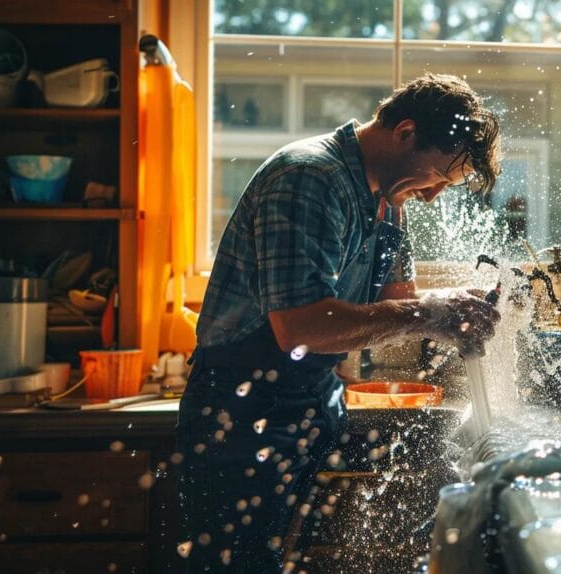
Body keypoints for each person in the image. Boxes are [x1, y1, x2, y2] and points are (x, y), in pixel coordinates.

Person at [176, 74, 502, 571]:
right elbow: (300, 328)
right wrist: (431, 313)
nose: (435, 194)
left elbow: (400, 300)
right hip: (239, 412)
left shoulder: (390, 201)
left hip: (312, 402)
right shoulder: (308, 177)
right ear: (406, 132)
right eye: (438, 174)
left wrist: (453, 305)